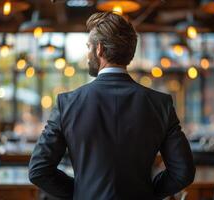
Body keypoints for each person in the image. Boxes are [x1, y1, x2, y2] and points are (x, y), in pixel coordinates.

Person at [29, 12, 195, 200]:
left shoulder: (67, 103)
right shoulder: (160, 104)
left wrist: (81, 192)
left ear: (99, 49)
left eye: (88, 47)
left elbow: (39, 170)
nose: (87, 53)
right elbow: (183, 172)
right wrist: (148, 192)